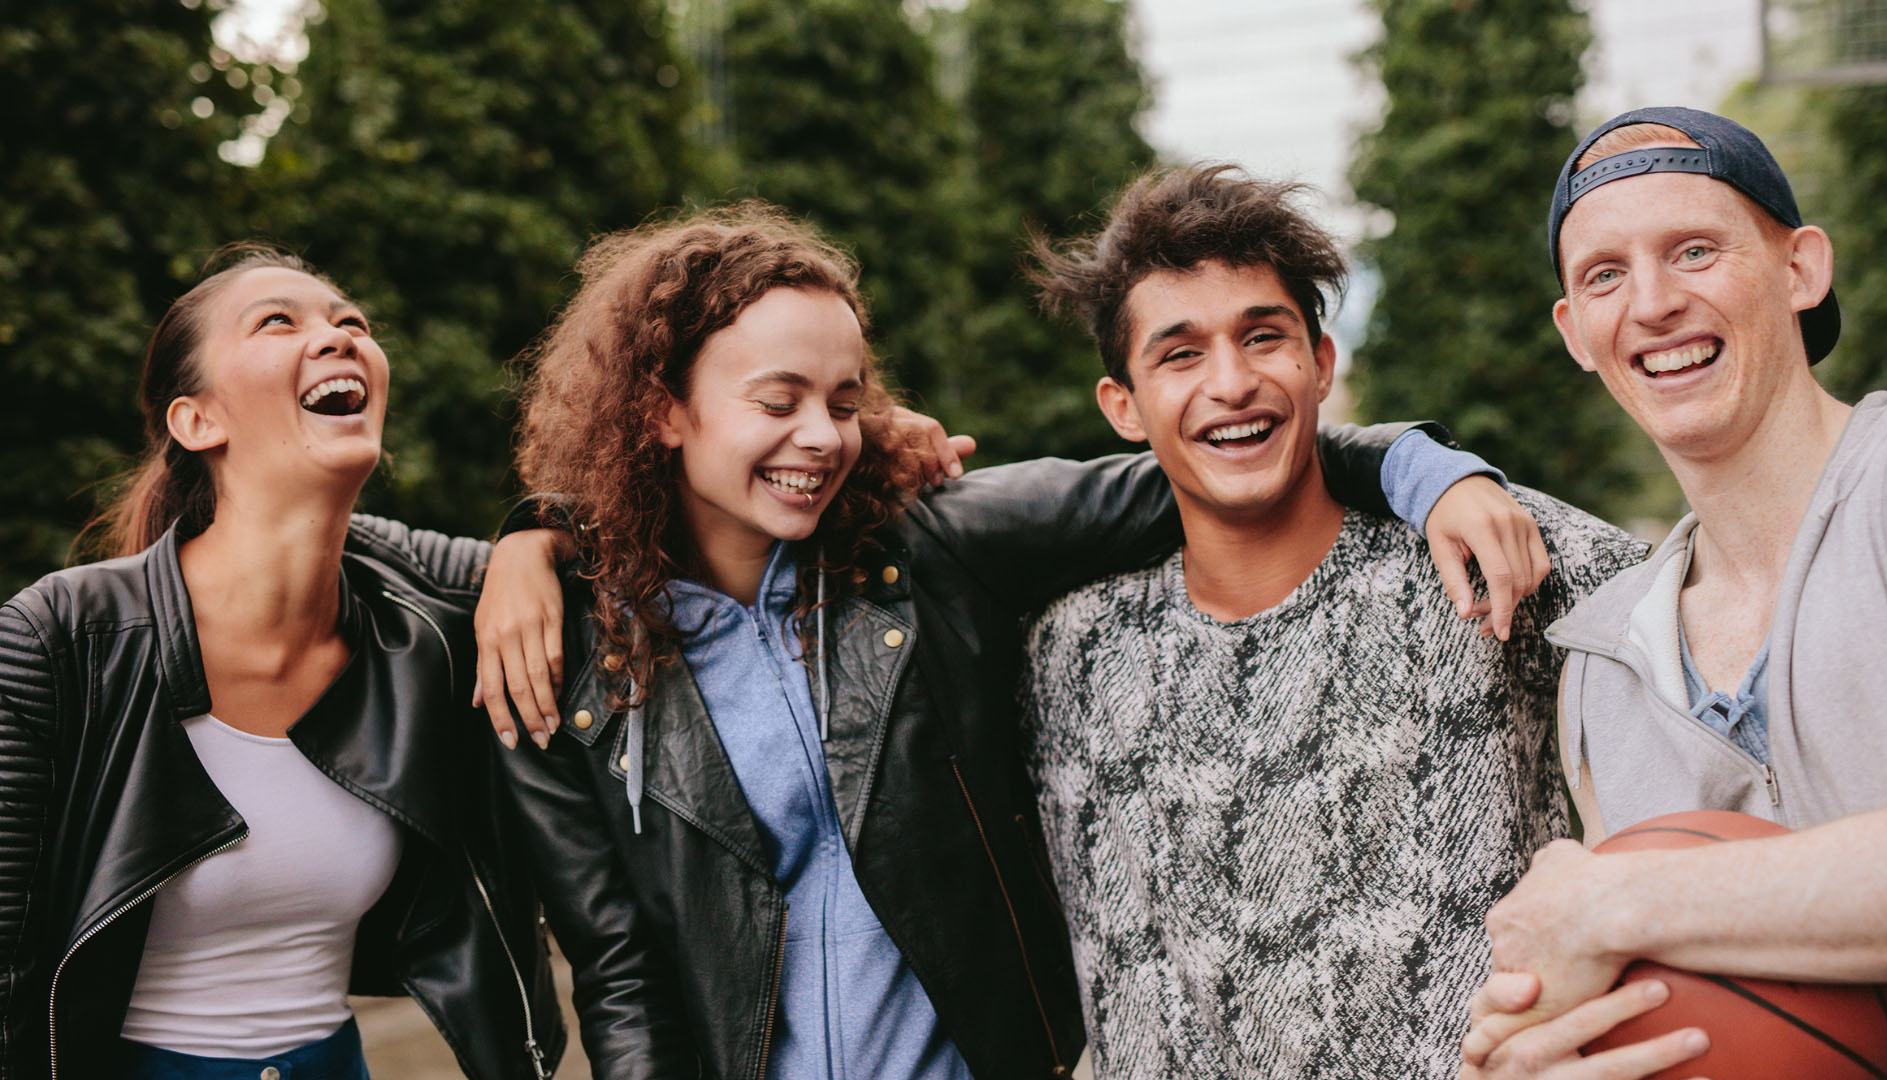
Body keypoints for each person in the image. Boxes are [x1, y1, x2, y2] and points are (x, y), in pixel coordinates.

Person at [475, 203, 1546, 1078]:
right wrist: (537, 532)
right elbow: (620, 978)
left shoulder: (933, 549)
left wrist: (1425, 472)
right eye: (778, 399)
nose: (821, 436)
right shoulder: (565, 658)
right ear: (663, 410)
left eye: (845, 401)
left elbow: (1220, 458)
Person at [1014, 164, 1647, 1079]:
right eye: (1180, 354)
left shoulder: (1487, 562)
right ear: (1123, 405)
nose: (1229, 383)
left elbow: (1724, 650)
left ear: (1320, 362)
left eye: (1263, 337)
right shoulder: (1066, 654)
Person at [0, 247, 563, 1079]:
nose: (339, 338)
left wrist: (533, 535)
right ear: (197, 422)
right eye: (279, 321)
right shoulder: (62, 634)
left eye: (351, 323)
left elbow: (620, 560)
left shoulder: (414, 596)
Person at [1460, 107, 1887, 1079]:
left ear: (1801, 267)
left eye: (1695, 250)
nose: (1654, 302)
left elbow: (1609, 916)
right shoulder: (1600, 664)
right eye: (1605, 275)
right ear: (1576, 333)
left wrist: (1617, 901)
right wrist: (1529, 1053)